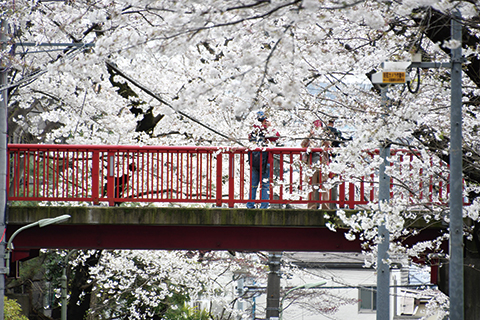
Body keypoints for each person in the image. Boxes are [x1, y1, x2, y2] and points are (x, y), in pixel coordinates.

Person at [246, 111, 280, 209]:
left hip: (254, 160)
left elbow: (250, 139)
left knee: (253, 185)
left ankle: (250, 205)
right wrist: (269, 127)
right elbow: (276, 136)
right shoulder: (265, 130)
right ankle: (263, 206)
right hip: (266, 161)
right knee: (265, 185)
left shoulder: (253, 130)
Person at [301, 120, 330, 210]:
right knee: (311, 187)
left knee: (325, 186)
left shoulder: (324, 137)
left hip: (323, 165)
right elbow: (302, 145)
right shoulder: (310, 138)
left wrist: (323, 136)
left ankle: (325, 207)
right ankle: (311, 207)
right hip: (311, 165)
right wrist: (310, 135)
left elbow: (328, 144)